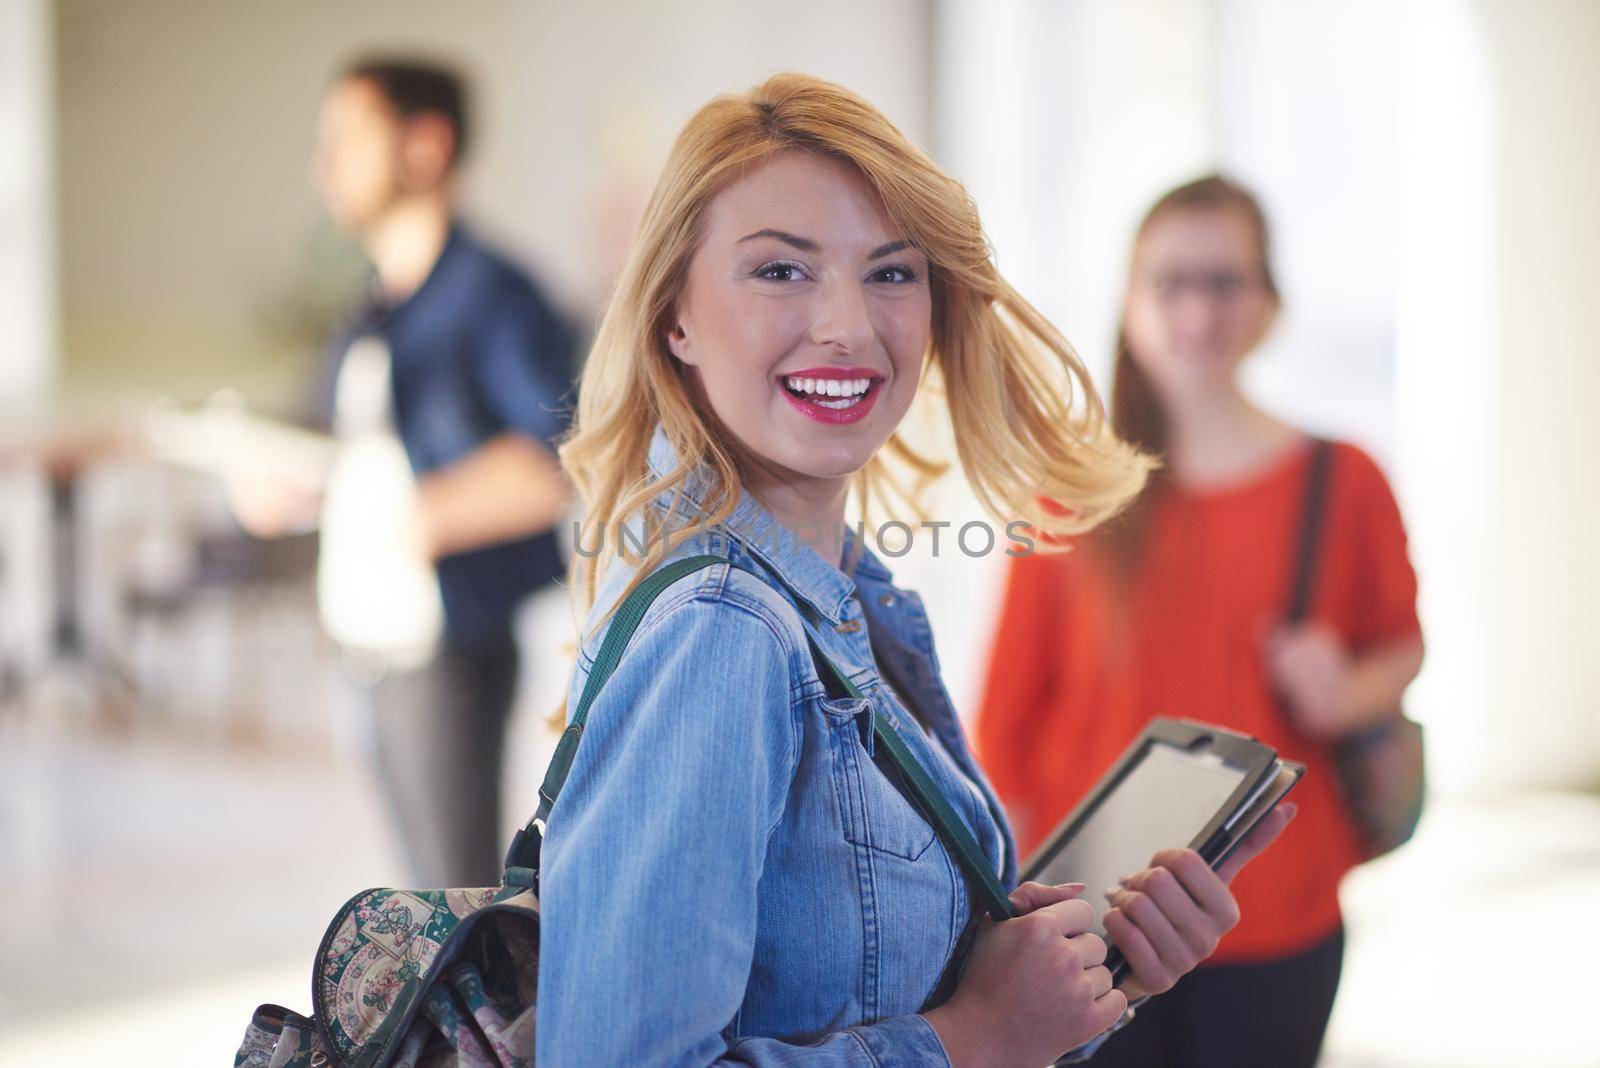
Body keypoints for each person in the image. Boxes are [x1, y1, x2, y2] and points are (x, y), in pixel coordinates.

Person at [535, 76, 1294, 1066]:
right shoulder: (723, 627)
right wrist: (972, 1034)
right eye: (780, 272)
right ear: (674, 314)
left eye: (892, 274)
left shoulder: (850, 595)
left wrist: (1077, 981)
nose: (847, 325)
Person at [975, 175, 1425, 1067]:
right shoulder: (1068, 495)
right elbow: (1005, 723)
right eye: (1169, 281)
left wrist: (1344, 687)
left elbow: (1404, 645)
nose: (1197, 308)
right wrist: (1017, 922)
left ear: (1268, 304)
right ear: (1131, 304)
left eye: (1224, 281)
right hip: (1094, 921)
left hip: (1278, 911)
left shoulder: (1345, 480)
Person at [228, 57, 575, 888]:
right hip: (372, 640)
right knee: (416, 892)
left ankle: (482, 1025)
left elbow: (556, 457)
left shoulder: (496, 296)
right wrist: (300, 487)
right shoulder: (373, 304)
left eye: (348, 140)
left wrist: (422, 513)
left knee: (455, 898)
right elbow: (359, 454)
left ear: (424, 144)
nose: (326, 167)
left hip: (446, 651)